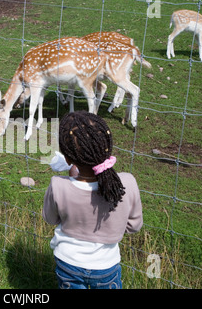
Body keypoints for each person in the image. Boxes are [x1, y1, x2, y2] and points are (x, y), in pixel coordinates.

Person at [43, 111, 143, 289]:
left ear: (67, 158)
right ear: (107, 147)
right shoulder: (127, 183)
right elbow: (133, 226)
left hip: (68, 263)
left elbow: (51, 219)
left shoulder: (58, 185)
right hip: (106, 265)